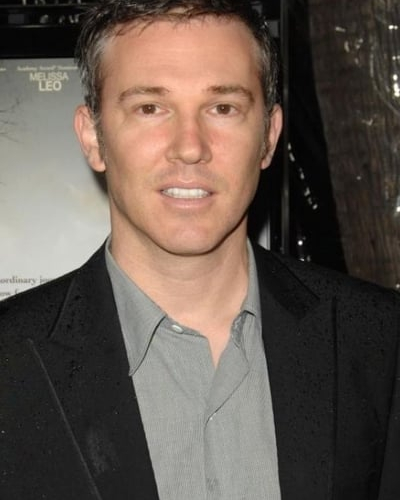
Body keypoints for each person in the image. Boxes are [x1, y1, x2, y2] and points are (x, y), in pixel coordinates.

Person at [1, 1, 399, 499]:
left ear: (269, 136)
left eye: (223, 108)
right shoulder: (9, 365)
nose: (190, 147)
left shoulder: (380, 342)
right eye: (150, 108)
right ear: (93, 138)